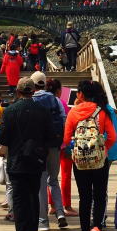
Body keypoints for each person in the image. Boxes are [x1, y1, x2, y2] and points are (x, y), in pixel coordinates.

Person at [0, 77, 58, 231]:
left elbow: (3, 138)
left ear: (17, 91)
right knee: (33, 197)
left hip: (16, 161)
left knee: (20, 201)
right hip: (36, 161)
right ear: (33, 92)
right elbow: (51, 137)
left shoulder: (10, 111)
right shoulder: (43, 110)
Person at [63, 80, 117, 231]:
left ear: (79, 94)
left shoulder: (73, 112)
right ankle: (97, 228)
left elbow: (66, 139)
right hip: (100, 161)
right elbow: (113, 137)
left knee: (84, 198)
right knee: (100, 196)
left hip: (80, 162)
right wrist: (103, 148)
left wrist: (75, 150)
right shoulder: (102, 111)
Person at [30, 72, 68, 230]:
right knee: (53, 180)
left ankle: (43, 221)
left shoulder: (31, 100)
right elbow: (64, 119)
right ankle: (60, 212)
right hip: (54, 144)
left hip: (37, 146)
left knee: (40, 183)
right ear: (45, 83)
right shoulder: (56, 100)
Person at [47, 78, 78, 217]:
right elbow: (67, 125)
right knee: (65, 175)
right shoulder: (63, 104)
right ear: (59, 90)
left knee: (50, 175)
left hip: (49, 143)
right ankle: (67, 205)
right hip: (63, 143)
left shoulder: (43, 103)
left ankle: (52, 205)